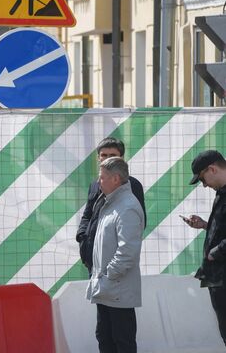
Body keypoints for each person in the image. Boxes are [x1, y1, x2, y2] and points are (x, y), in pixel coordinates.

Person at [86, 157, 144, 353]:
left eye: (102, 177)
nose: (98, 181)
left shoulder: (127, 207)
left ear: (116, 179)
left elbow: (127, 252)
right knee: (105, 338)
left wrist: (108, 277)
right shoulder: (110, 203)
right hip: (106, 289)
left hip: (116, 290)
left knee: (122, 341)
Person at [77, 137, 146, 275]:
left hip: (115, 265)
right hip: (94, 261)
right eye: (104, 155)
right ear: (98, 158)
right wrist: (83, 240)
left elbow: (137, 224)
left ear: (121, 158)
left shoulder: (133, 186)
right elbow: (87, 216)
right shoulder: (95, 185)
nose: (107, 159)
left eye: (112, 155)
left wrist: (113, 269)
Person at [183, 150, 226, 346]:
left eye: (202, 178)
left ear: (212, 169)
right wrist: (205, 225)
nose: (204, 184)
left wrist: (213, 254)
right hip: (218, 277)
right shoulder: (222, 193)